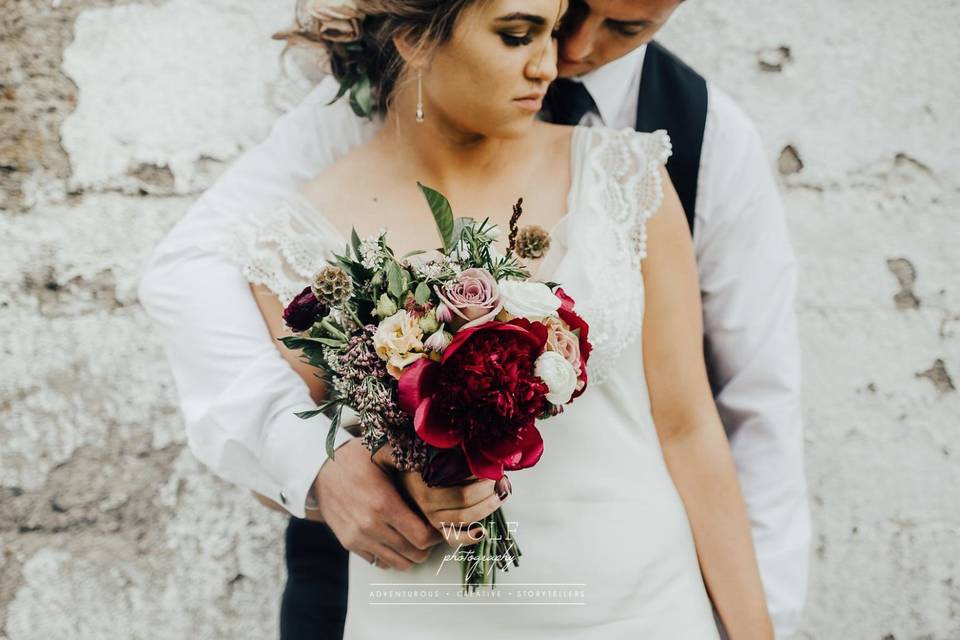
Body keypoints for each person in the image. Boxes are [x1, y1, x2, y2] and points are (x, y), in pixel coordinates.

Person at [137, 0, 809, 638]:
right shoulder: (297, 227)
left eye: (613, 27)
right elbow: (294, 438)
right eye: (524, 33)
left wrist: (756, 627)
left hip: (637, 607)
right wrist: (380, 462)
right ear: (414, 38)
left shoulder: (635, 169)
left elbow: (701, 426)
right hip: (424, 610)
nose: (559, 58)